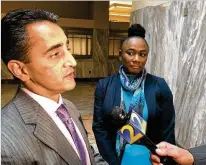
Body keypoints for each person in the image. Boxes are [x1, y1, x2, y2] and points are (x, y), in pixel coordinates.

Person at [1, 9, 105, 165]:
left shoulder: (68, 108)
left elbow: (88, 156)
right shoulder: (5, 140)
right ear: (20, 70)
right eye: (55, 54)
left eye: (67, 49)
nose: (72, 62)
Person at [92, 24, 176, 165]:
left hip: (150, 159)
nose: (136, 59)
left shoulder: (159, 86)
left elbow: (167, 129)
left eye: (142, 54)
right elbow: (99, 128)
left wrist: (162, 159)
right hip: (115, 157)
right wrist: (112, 161)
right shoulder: (104, 86)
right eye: (130, 53)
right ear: (120, 54)